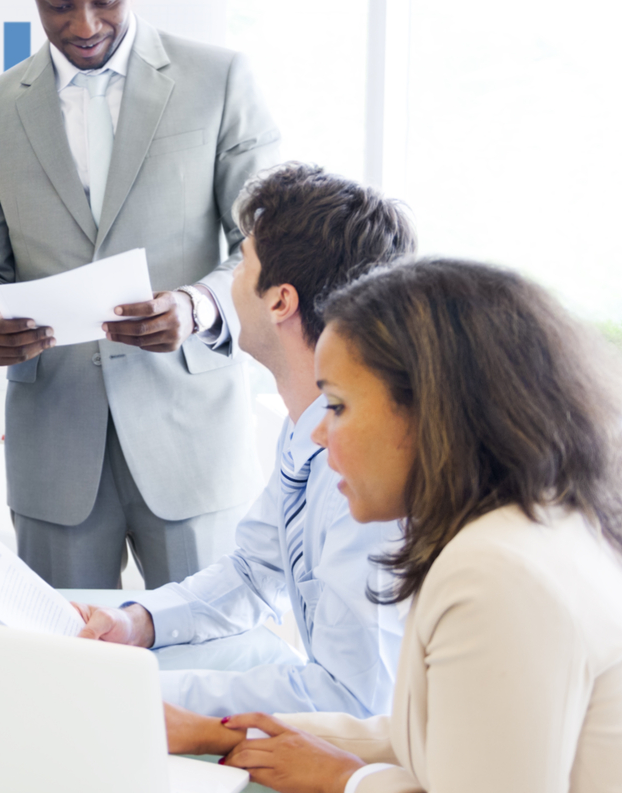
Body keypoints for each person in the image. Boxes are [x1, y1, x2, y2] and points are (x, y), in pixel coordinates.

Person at [166, 259, 622, 793]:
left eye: (338, 405)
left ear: (430, 410)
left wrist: (350, 784)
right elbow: (457, 744)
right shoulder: (538, 526)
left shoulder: (498, 569)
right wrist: (230, 733)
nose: (319, 434)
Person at [0, 0, 281, 588]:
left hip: (190, 440)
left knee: (208, 672)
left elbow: (265, 240)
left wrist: (198, 307)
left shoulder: (218, 80)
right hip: (55, 450)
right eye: (58, 6)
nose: (84, 25)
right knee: (64, 677)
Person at [75, 164, 413, 717]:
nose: (229, 282)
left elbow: (353, 702)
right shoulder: (307, 425)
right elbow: (257, 573)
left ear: (280, 301)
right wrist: (139, 622)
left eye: (243, 264)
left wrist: (145, 694)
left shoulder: (365, 472)